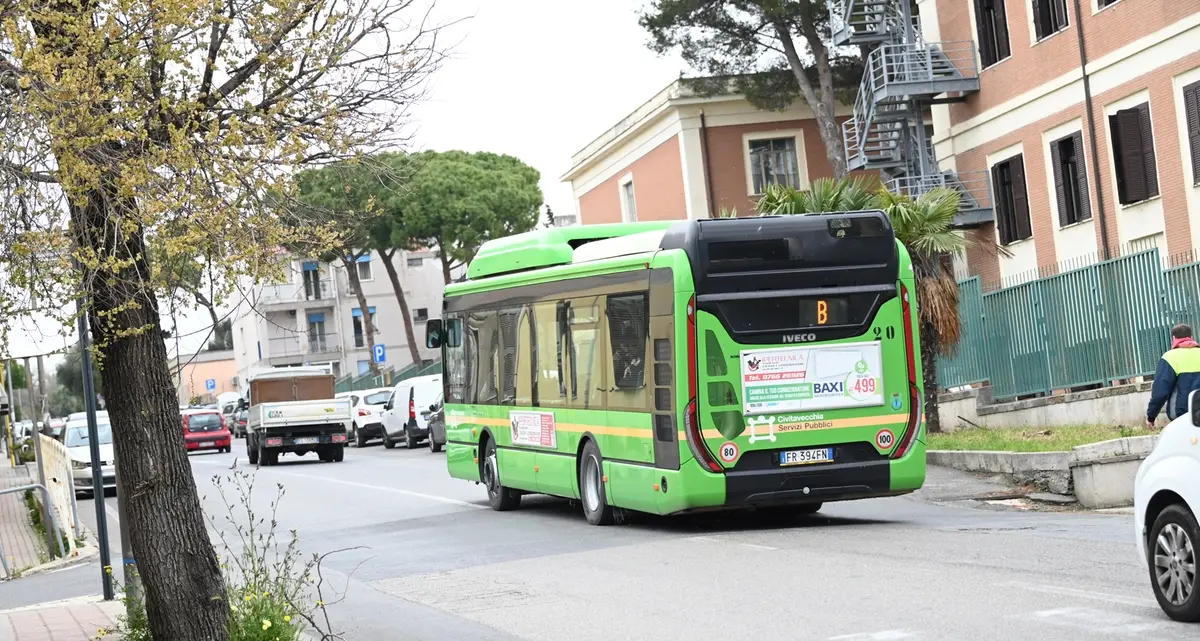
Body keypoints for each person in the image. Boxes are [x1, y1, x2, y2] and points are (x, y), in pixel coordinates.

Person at [1147, 324, 1200, 429]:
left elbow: (1160, 393)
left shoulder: (1169, 358)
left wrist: (1151, 416)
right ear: (1191, 338)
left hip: (1183, 416)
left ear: (1173, 338)